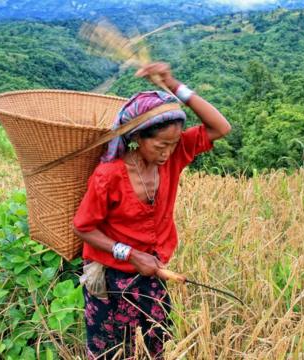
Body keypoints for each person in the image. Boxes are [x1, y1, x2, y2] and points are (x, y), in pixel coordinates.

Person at [72, 62, 231, 359]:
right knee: (112, 351)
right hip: (111, 277)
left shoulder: (173, 157)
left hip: (153, 272)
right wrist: (130, 253)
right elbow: (82, 227)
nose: (167, 152)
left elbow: (220, 127)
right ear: (136, 138)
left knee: (156, 346)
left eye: (172, 144)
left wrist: (173, 85)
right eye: (160, 145)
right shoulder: (109, 176)